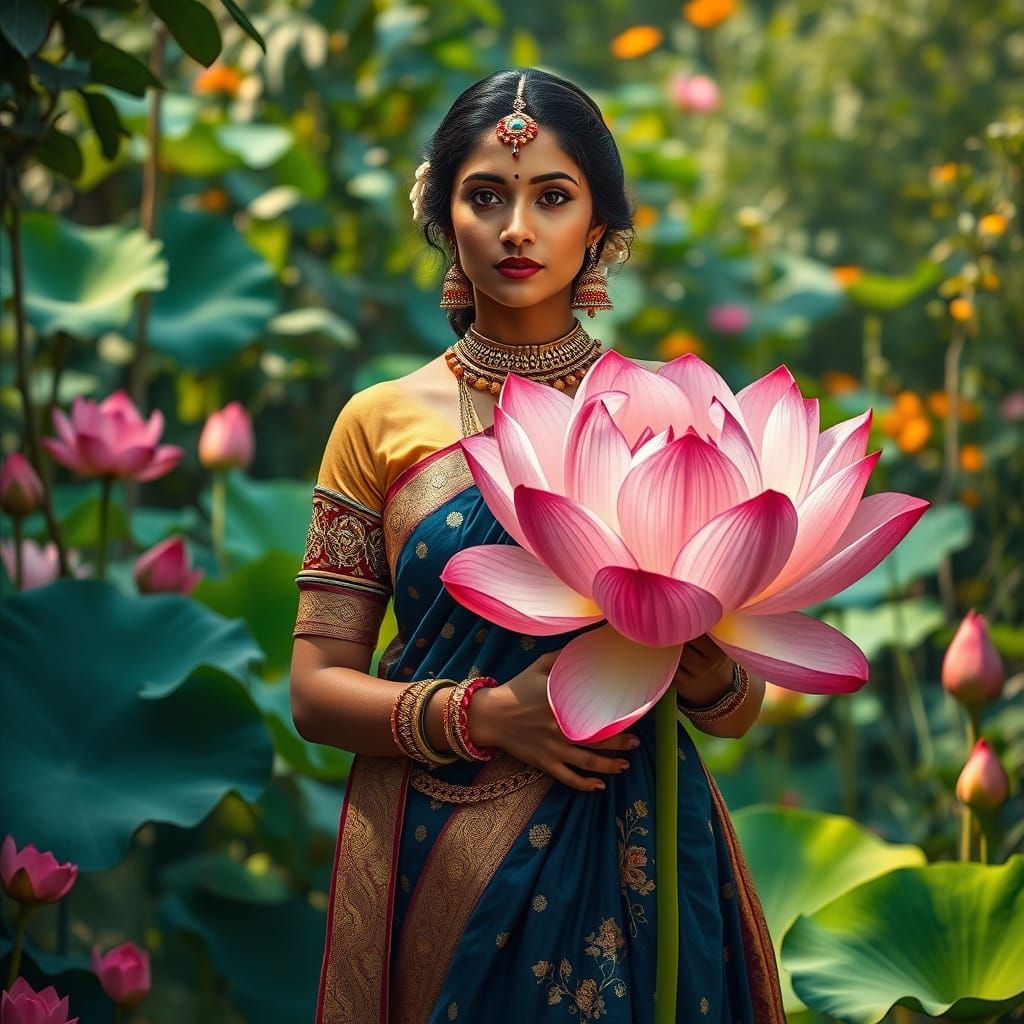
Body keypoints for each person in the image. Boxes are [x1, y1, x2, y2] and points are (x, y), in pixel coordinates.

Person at [289, 67, 785, 1024]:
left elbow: (735, 710)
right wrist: (487, 717)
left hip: (634, 837)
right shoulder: (377, 423)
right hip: (440, 838)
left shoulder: (668, 415)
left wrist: (700, 659)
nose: (518, 227)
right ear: (443, 216)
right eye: (486, 195)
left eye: (551, 197)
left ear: (598, 227)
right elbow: (315, 692)